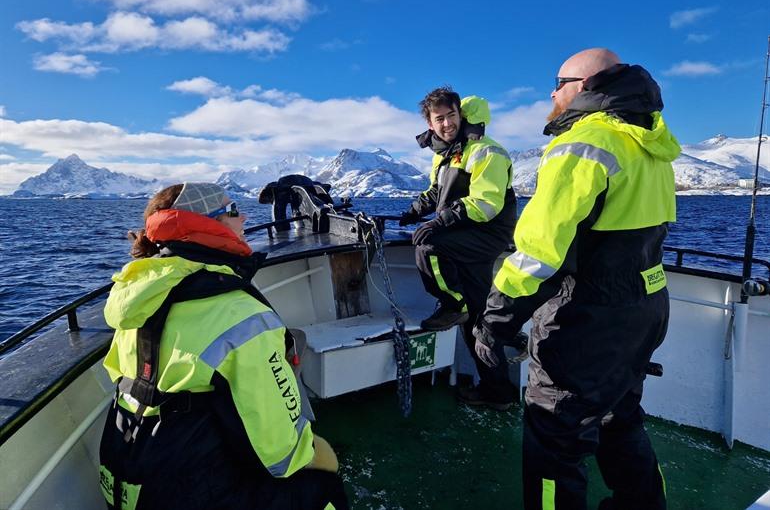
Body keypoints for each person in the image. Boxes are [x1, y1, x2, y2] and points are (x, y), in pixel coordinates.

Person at [473, 48, 679, 510]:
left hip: (587, 320)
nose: (551, 91)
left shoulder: (582, 145)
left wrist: (494, 323)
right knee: (620, 417)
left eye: (558, 80)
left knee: (554, 441)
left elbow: (538, 253)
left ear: (585, 87)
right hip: (643, 310)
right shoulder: (650, 145)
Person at [98, 182, 349, 510]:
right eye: (231, 211)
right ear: (205, 224)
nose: (243, 217)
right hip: (182, 492)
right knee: (323, 487)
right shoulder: (242, 316)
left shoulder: (142, 293)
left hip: (126, 473)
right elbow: (280, 455)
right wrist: (316, 453)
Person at [399, 86, 517, 410]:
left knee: (428, 246)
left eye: (451, 115)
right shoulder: (445, 154)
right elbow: (436, 193)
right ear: (430, 123)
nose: (447, 123)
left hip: (486, 231)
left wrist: (437, 223)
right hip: (463, 233)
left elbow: (486, 203)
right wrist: (413, 211)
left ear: (460, 115)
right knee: (478, 321)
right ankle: (499, 393)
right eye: (439, 119)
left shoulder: (485, 151)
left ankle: (452, 303)